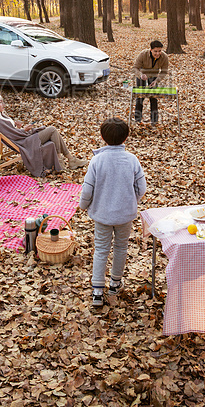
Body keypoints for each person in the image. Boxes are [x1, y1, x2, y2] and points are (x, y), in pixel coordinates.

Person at [79, 117, 146, 307]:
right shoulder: (132, 160)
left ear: (102, 137)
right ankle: (115, 283)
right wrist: (132, 201)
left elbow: (87, 189)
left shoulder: (97, 161)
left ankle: (97, 291)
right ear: (126, 138)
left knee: (101, 248)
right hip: (125, 214)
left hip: (102, 215)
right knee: (121, 247)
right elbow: (142, 187)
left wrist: (84, 206)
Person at [0, 92, 87, 177]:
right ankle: (65, 159)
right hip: (23, 142)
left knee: (53, 134)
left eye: (3, 101)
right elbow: (12, 135)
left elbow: (11, 130)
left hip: (23, 138)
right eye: (0, 102)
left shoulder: (0, 114)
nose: (3, 104)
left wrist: (16, 124)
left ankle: (68, 159)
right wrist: (24, 130)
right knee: (52, 130)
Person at [132, 40, 169, 125]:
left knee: (153, 98)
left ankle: (154, 120)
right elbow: (135, 68)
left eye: (159, 51)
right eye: (155, 51)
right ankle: (137, 120)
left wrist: (157, 81)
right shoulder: (143, 54)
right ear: (151, 50)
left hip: (154, 77)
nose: (158, 53)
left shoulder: (164, 57)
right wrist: (141, 75)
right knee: (140, 97)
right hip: (142, 76)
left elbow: (164, 71)